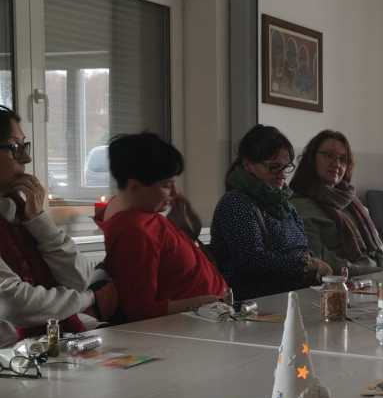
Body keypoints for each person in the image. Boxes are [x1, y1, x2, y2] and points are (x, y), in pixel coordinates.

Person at [0, 106, 117, 342]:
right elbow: (17, 305)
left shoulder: (16, 210)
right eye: (14, 147)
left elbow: (79, 279)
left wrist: (39, 220)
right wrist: (89, 298)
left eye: (24, 146)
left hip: (48, 346)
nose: (27, 159)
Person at [98, 132, 228, 321]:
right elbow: (140, 310)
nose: (175, 192)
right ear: (134, 186)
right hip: (193, 323)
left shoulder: (147, 216)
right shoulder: (134, 231)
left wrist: (184, 231)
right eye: (166, 185)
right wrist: (203, 303)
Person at [211, 125, 330, 302]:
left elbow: (302, 249)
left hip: (291, 296)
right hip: (256, 303)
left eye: (286, 167)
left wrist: (314, 266)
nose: (282, 175)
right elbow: (252, 261)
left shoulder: (285, 204)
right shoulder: (236, 203)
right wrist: (305, 264)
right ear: (248, 165)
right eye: (274, 167)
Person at [288, 130, 383, 276]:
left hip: (380, 278)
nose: (336, 164)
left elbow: (381, 251)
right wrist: (379, 273)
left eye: (342, 159)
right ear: (311, 159)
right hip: (345, 282)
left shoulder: (352, 201)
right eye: (328, 155)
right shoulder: (299, 206)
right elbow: (324, 263)